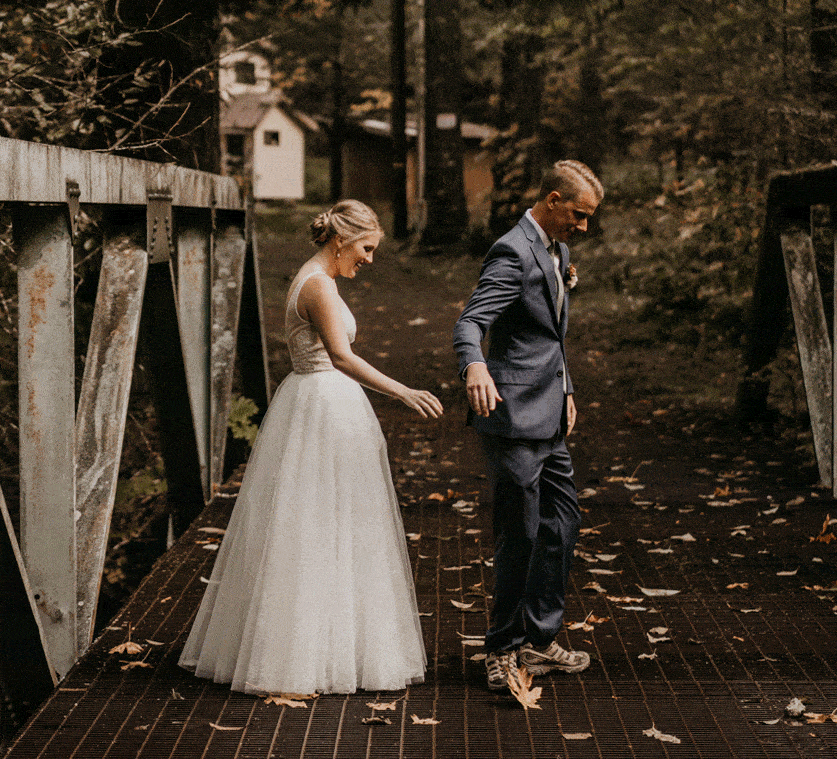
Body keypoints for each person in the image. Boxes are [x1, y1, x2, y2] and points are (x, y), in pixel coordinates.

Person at [179, 200, 443, 695]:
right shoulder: (319, 285)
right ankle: (304, 654)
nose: (368, 259)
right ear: (342, 239)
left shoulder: (319, 278)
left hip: (317, 402)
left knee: (330, 521)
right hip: (322, 403)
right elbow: (340, 356)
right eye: (366, 248)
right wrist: (402, 391)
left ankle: (327, 643)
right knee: (319, 523)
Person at [453, 160, 603, 690]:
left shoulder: (558, 250)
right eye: (580, 215)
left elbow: (549, 337)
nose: (584, 227)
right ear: (554, 200)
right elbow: (471, 320)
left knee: (562, 526)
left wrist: (565, 389)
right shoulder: (513, 251)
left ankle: (540, 641)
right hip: (512, 416)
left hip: (550, 415)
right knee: (518, 534)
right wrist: (474, 364)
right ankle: (501, 648)